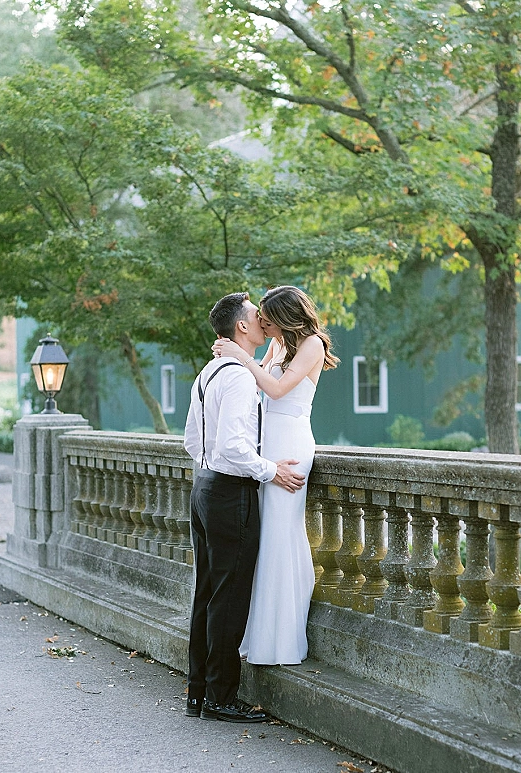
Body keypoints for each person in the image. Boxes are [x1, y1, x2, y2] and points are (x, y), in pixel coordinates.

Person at [183, 291, 306, 723]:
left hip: (204, 489)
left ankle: (198, 693)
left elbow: (192, 443)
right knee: (230, 600)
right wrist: (270, 470)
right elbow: (234, 446)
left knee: (207, 595)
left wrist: (211, 472)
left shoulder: (209, 372)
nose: (264, 320)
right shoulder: (237, 376)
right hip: (231, 493)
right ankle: (221, 697)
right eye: (257, 316)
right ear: (241, 327)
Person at [212, 285, 339, 665]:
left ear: (285, 315)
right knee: (266, 537)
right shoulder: (277, 345)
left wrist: (242, 357)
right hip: (268, 446)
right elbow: (256, 388)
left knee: (283, 534)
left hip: (291, 444)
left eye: (267, 316)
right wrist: (235, 361)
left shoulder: (312, 344)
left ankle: (282, 640)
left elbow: (280, 390)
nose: (261, 322)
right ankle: (261, 634)